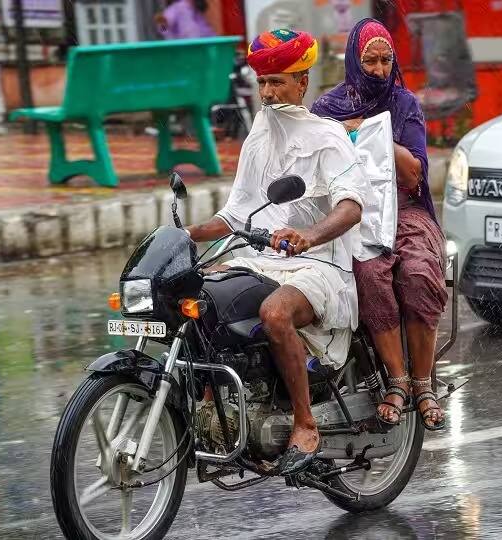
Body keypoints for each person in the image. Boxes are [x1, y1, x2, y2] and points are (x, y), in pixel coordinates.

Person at [186, 29, 369, 474]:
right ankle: (220, 415)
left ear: (302, 81)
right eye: (263, 82)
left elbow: (351, 206)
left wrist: (310, 235)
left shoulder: (326, 136)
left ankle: (305, 424)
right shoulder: (259, 137)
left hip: (319, 265)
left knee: (274, 313)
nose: (268, 93)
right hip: (261, 258)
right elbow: (236, 214)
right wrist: (184, 234)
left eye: (278, 82)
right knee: (196, 299)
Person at [311, 19, 448, 431]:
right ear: (354, 60)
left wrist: (374, 134)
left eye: (386, 60)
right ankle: (397, 379)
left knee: (419, 271)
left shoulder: (405, 105)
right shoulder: (327, 109)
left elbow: (414, 175)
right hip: (354, 211)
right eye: (369, 60)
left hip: (405, 211)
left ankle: (423, 383)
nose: (378, 69)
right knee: (369, 272)